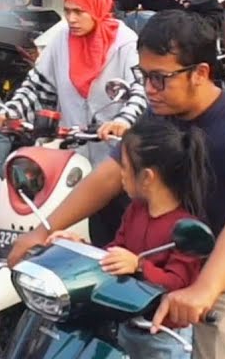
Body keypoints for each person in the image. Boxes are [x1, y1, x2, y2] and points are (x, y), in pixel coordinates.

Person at [7, 11, 225, 359]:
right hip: (156, 267)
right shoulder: (159, 111)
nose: (149, 89)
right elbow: (110, 173)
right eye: (144, 76)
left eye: (160, 78)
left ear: (200, 73)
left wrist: (203, 289)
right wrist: (42, 230)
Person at [0, 0, 148, 212]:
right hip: (69, 157)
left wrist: (122, 121)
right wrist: (10, 111)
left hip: (114, 161)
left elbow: (141, 91)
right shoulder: (61, 39)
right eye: (67, 11)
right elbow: (37, 85)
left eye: (80, 11)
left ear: (97, 7)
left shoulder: (126, 44)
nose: (71, 19)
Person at [48, 117, 209, 358]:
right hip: (126, 327)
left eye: (124, 167)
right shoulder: (135, 210)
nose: (120, 174)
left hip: (163, 336)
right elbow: (115, 252)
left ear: (147, 177)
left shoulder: (185, 228)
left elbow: (178, 283)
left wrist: (139, 265)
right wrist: (80, 247)